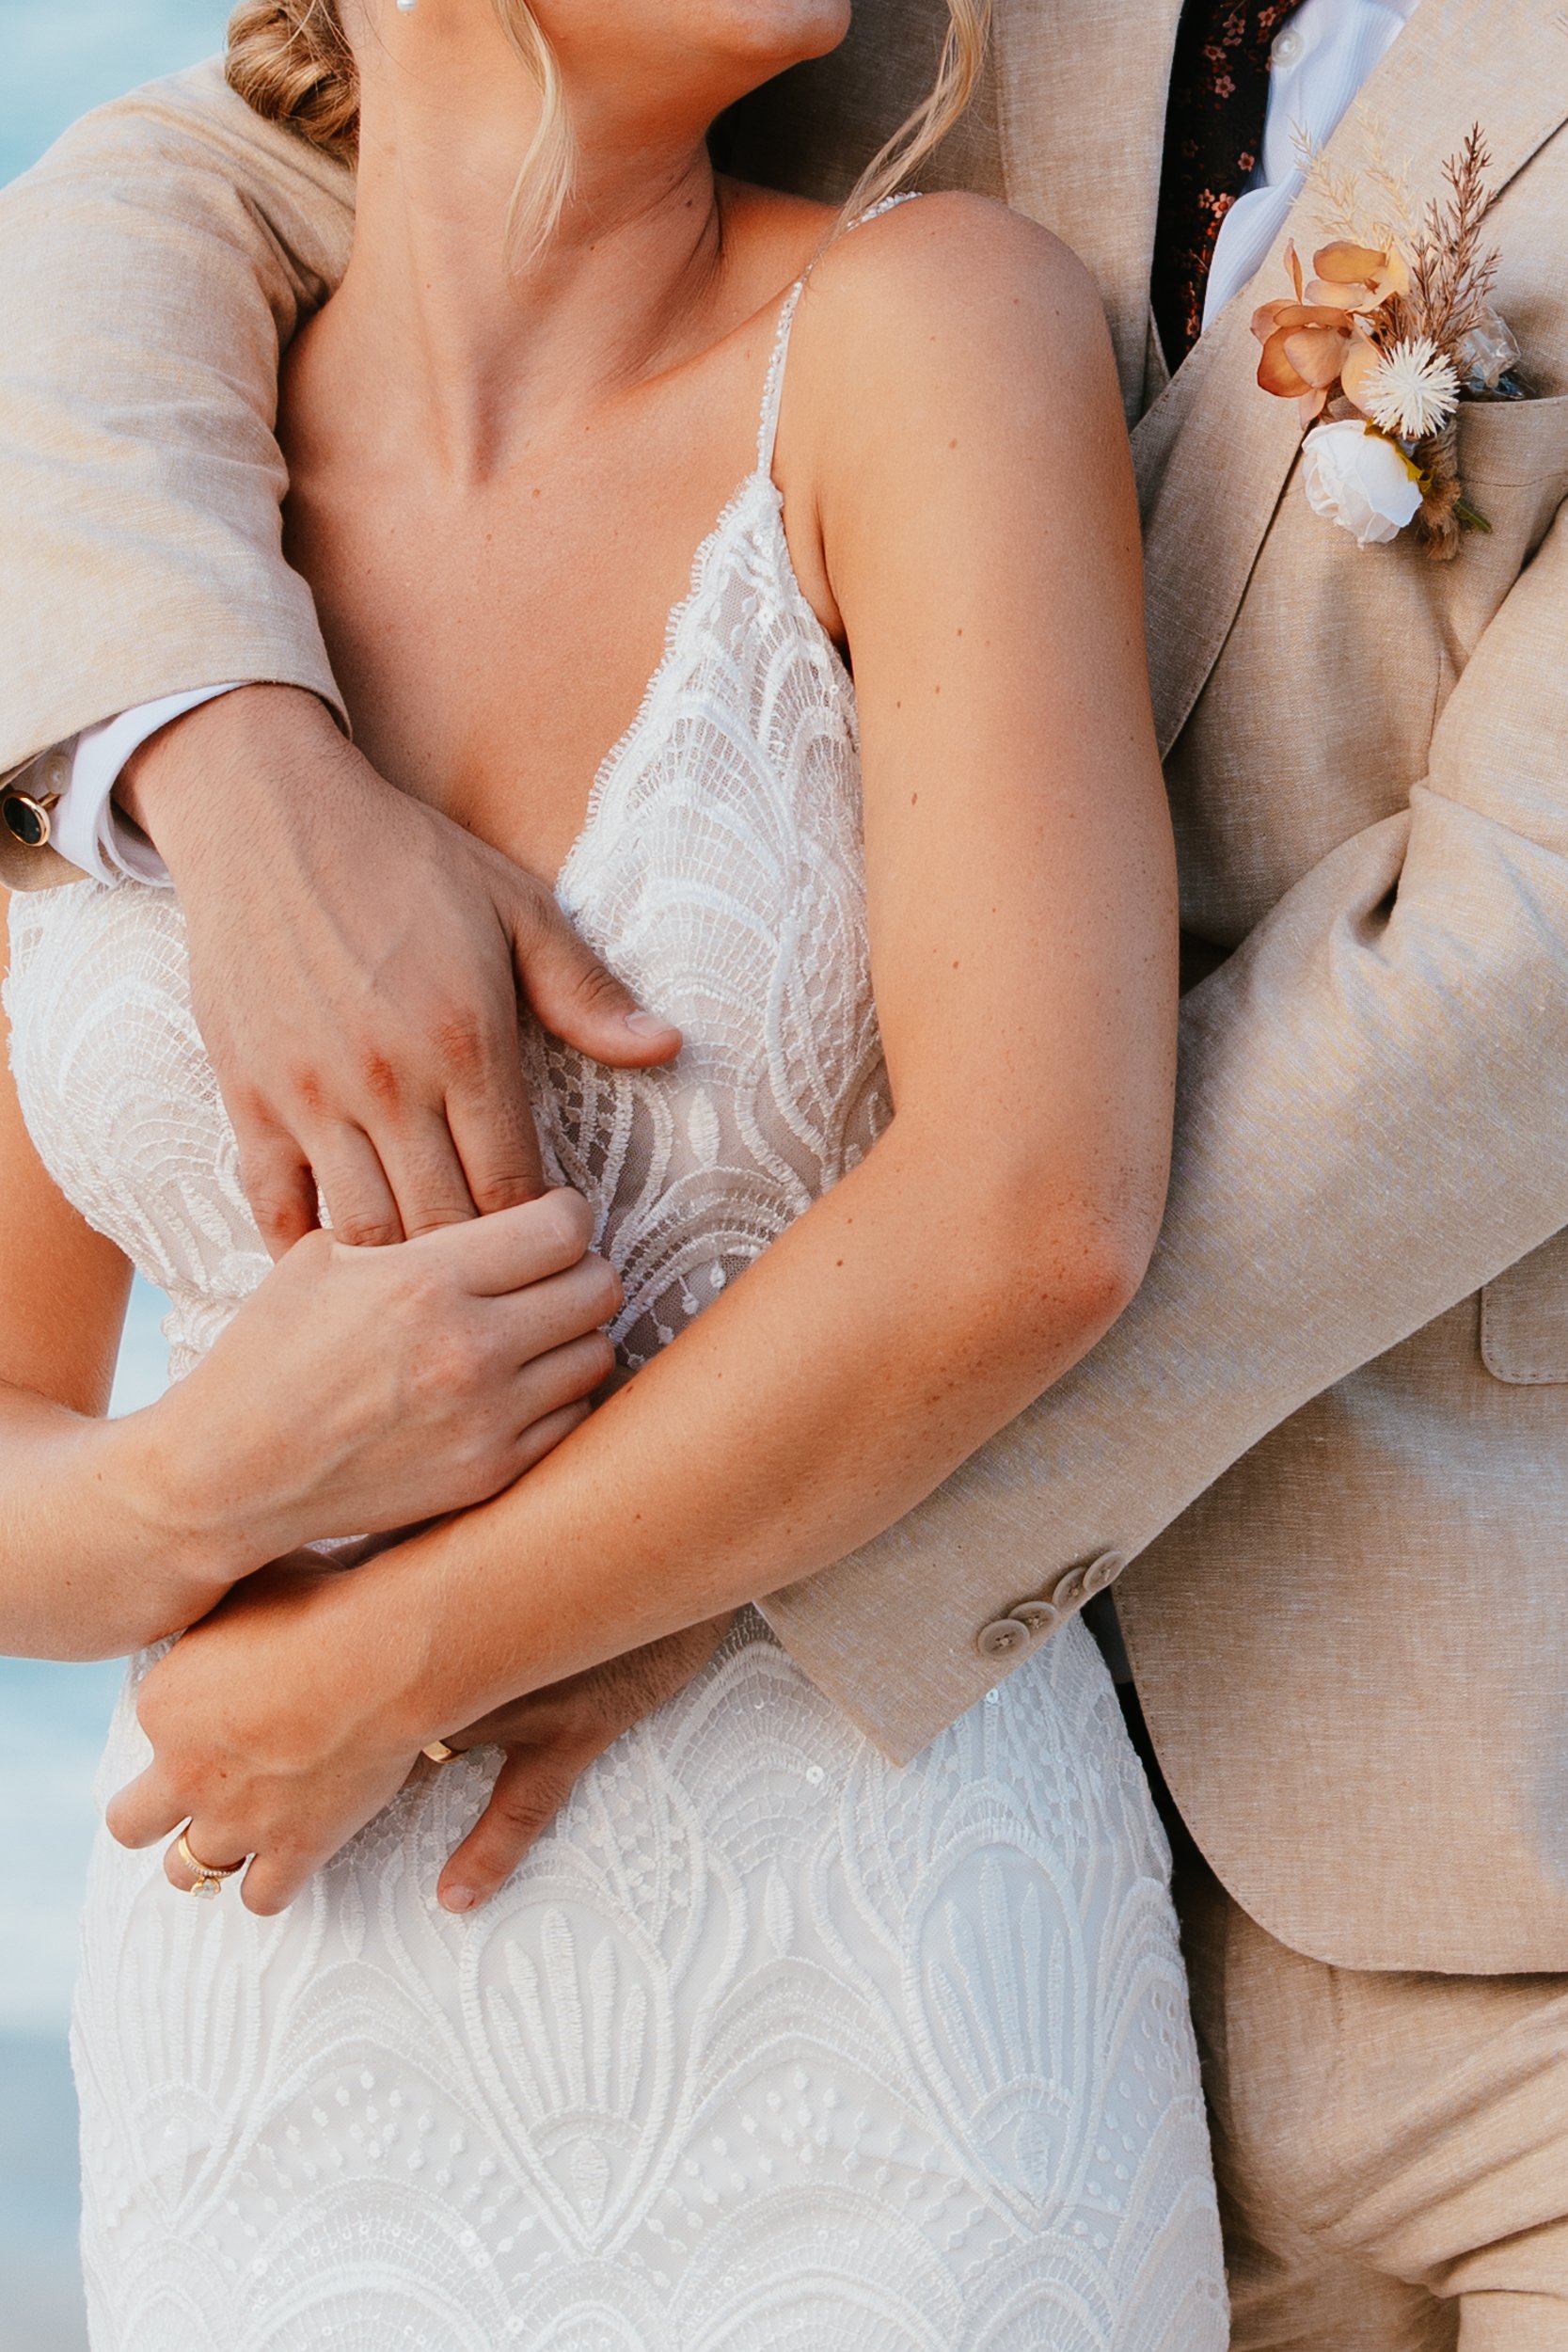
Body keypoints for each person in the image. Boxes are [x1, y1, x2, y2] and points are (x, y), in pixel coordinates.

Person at [5, 0, 1568, 2342]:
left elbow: (1495, 992)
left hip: (1395, 1875)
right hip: (279, 2037)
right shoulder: (161, 533)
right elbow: (200, 173)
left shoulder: (912, 317)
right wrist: (231, 766)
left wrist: (437, 1635)